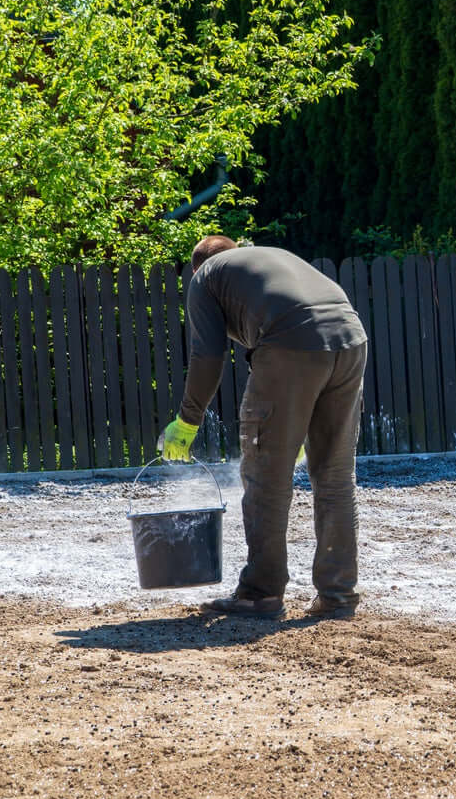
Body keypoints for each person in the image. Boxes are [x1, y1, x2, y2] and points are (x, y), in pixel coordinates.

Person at [157, 235, 368, 620]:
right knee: (335, 475)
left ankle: (260, 593)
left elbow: (208, 354)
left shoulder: (205, 278)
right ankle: (338, 596)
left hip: (293, 343)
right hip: (351, 339)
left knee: (266, 476)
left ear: (196, 267)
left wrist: (188, 420)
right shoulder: (269, 257)